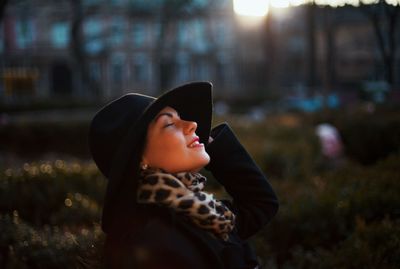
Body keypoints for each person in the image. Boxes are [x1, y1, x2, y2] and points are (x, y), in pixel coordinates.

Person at [89, 82, 279, 269]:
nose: (193, 124)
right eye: (170, 124)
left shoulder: (199, 211)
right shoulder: (153, 242)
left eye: (182, 117)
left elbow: (260, 203)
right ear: (139, 158)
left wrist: (209, 143)